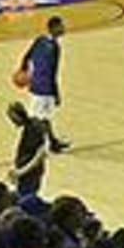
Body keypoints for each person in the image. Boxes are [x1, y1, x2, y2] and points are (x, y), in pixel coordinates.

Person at [20, 15, 71, 151]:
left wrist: (23, 71)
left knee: (42, 117)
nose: (64, 28)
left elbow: (26, 57)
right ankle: (36, 144)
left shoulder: (39, 39)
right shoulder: (54, 47)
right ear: (54, 28)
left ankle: (52, 142)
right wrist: (56, 93)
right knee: (38, 119)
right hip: (45, 87)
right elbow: (52, 72)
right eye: (61, 26)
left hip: (35, 84)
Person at [7, 101, 48, 200]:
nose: (12, 121)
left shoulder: (33, 129)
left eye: (12, 118)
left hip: (30, 173)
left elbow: (40, 154)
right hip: (24, 172)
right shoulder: (30, 126)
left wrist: (21, 172)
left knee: (26, 199)